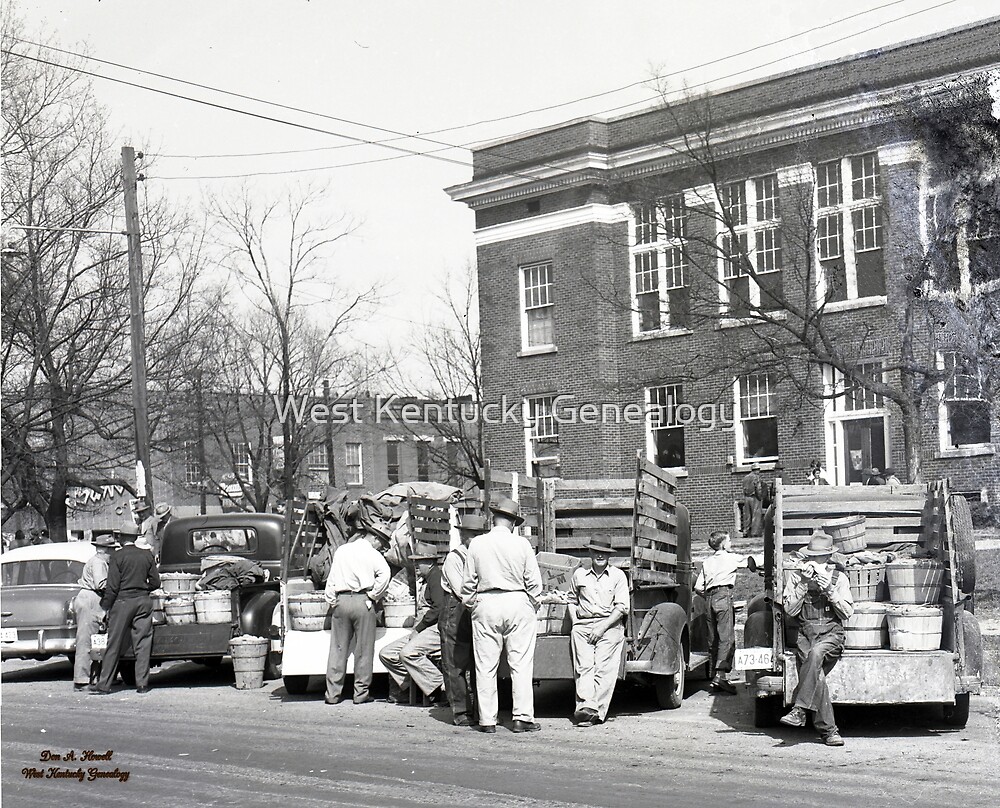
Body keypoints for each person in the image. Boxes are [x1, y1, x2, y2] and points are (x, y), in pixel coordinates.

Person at [461, 496, 543, 734]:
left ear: (493, 519)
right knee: (521, 664)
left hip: (487, 602)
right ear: (513, 523)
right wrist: (533, 602)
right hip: (517, 600)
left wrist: (473, 604)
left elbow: (468, 583)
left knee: (485, 666)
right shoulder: (522, 544)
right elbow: (534, 582)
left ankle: (487, 720)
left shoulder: (477, 544)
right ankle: (522, 718)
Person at [780, 531, 854, 746]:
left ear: (828, 557)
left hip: (831, 635)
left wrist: (830, 590)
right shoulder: (797, 577)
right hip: (806, 635)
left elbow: (847, 613)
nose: (814, 561)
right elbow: (790, 611)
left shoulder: (839, 578)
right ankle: (830, 732)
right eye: (811, 557)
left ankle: (800, 709)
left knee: (816, 654)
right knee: (816, 675)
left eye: (819, 557)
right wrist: (803, 584)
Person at [323, 519, 391, 705]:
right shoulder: (373, 554)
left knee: (337, 649)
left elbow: (332, 579)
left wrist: (332, 600)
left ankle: (332, 694)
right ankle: (360, 693)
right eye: (382, 542)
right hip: (363, 601)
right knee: (364, 649)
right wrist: (373, 596)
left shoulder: (342, 550)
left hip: (341, 600)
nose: (382, 547)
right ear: (375, 538)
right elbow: (385, 575)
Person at [91, 525, 160, 695]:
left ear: (121, 537)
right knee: (143, 643)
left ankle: (104, 684)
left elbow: (112, 587)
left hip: (122, 602)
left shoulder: (117, 556)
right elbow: (156, 583)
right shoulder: (147, 555)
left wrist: (104, 607)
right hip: (143, 601)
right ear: (135, 537)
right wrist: (143, 589)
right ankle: (142, 684)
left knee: (114, 643)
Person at [568, 536, 629, 726]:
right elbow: (571, 599)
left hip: (609, 625)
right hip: (583, 625)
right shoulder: (579, 574)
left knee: (603, 668)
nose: (600, 556)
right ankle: (587, 707)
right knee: (584, 667)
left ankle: (594, 711)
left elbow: (622, 607)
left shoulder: (618, 576)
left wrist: (602, 628)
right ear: (590, 553)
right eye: (596, 552)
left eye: (604, 553)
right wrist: (575, 622)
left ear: (609, 555)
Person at [379, 548, 445, 705]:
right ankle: (415, 686)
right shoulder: (426, 579)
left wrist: (418, 629)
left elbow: (439, 608)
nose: (415, 565)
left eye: (419, 562)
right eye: (414, 561)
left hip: (435, 629)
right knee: (387, 653)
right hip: (424, 630)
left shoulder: (436, 577)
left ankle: (441, 687)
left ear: (430, 563)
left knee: (408, 653)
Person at [440, 514, 483, 726]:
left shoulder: (481, 556)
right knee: (455, 662)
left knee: (478, 662)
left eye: (478, 535)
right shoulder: (454, 558)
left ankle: (481, 710)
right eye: (472, 535)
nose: (475, 540)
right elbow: (461, 590)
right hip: (456, 609)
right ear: (463, 535)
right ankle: (461, 711)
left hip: (475, 607)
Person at [694, 531, 749, 694]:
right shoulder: (731, 558)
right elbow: (751, 561)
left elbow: (698, 587)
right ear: (723, 544)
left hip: (709, 599)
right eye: (729, 540)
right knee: (726, 637)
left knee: (713, 638)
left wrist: (710, 597)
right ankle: (720, 675)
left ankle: (716, 675)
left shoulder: (707, 561)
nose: (731, 543)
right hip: (723, 595)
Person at [71, 535, 117, 691]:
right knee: (86, 641)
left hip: (92, 599)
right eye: (111, 549)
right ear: (104, 550)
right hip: (90, 599)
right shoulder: (98, 562)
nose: (113, 552)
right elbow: (101, 584)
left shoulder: (100, 562)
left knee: (96, 641)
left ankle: (95, 677)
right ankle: (81, 680)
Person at [741, 463, 765, 537]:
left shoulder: (745, 477)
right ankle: (754, 533)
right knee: (756, 515)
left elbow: (744, 488)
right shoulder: (756, 477)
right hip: (754, 497)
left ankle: (745, 531)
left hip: (746, 497)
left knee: (747, 516)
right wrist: (760, 497)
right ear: (757, 470)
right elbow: (758, 488)